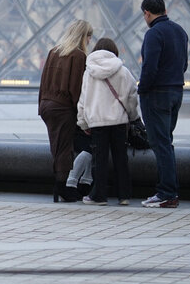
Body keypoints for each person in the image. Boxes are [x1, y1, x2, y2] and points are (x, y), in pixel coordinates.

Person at [138, 0, 188, 208]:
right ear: (164, 9)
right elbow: (184, 64)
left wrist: (142, 90)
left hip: (157, 94)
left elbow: (150, 67)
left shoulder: (153, 34)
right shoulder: (180, 31)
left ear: (147, 13)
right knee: (167, 142)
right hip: (176, 92)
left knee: (160, 144)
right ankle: (170, 191)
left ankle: (166, 192)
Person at [76, 38, 139, 206]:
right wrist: (133, 117)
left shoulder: (89, 72)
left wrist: (83, 123)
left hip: (97, 122)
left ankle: (99, 196)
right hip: (119, 122)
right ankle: (124, 195)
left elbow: (83, 101)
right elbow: (132, 96)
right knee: (121, 159)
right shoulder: (123, 71)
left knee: (99, 160)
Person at [39, 20, 92, 202]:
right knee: (64, 148)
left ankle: (60, 187)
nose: (90, 41)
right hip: (63, 107)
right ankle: (62, 188)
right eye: (89, 36)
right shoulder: (78, 56)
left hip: (47, 105)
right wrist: (82, 117)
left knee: (57, 146)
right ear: (83, 36)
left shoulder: (53, 51)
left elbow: (43, 81)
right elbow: (77, 89)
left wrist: (41, 104)